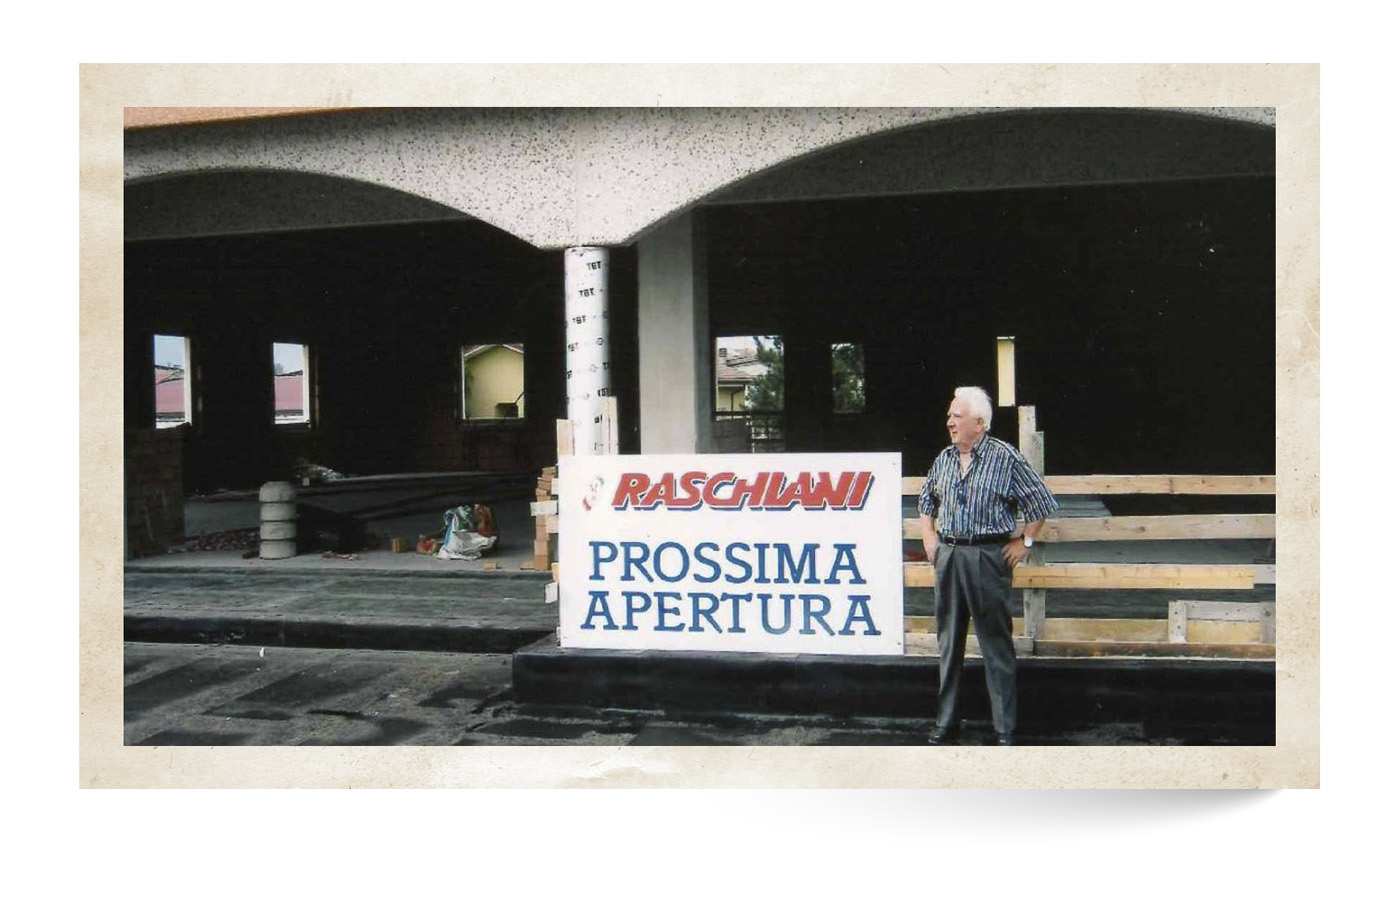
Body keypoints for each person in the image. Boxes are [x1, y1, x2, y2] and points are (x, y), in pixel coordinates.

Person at [918, 386, 1058, 746]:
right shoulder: (944, 459)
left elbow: (1041, 503)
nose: (950, 422)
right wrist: (929, 537)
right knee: (949, 643)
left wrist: (1025, 542)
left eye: (957, 416)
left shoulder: (1005, 458)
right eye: (949, 416)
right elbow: (926, 500)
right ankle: (946, 722)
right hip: (949, 556)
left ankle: (1004, 729)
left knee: (995, 645)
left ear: (979, 423)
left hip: (987, 557)